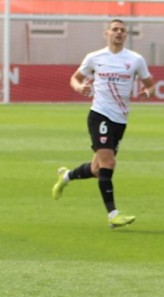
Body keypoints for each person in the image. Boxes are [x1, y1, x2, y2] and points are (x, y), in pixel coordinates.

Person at [51, 19, 155, 228]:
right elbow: (75, 78)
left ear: (126, 36)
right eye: (115, 29)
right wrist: (79, 87)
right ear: (106, 33)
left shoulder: (135, 60)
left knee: (98, 169)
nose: (119, 33)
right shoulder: (95, 58)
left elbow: (150, 84)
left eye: (122, 31)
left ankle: (67, 176)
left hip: (120, 120)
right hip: (99, 115)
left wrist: (148, 92)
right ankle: (113, 215)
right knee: (109, 163)